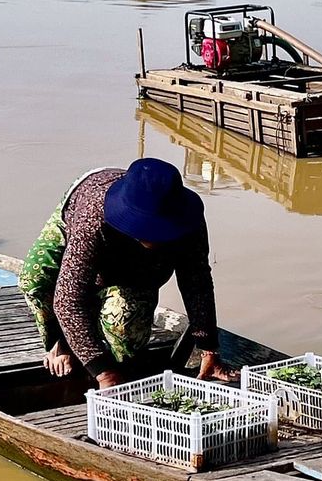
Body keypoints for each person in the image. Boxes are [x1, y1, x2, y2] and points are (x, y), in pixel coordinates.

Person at [19, 158, 235, 389]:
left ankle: (111, 360)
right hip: (80, 208)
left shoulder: (188, 221)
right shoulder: (93, 215)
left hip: (141, 267)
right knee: (35, 279)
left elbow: (196, 281)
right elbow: (68, 299)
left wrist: (208, 348)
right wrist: (104, 374)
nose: (150, 234)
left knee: (124, 323)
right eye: (145, 226)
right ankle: (60, 342)